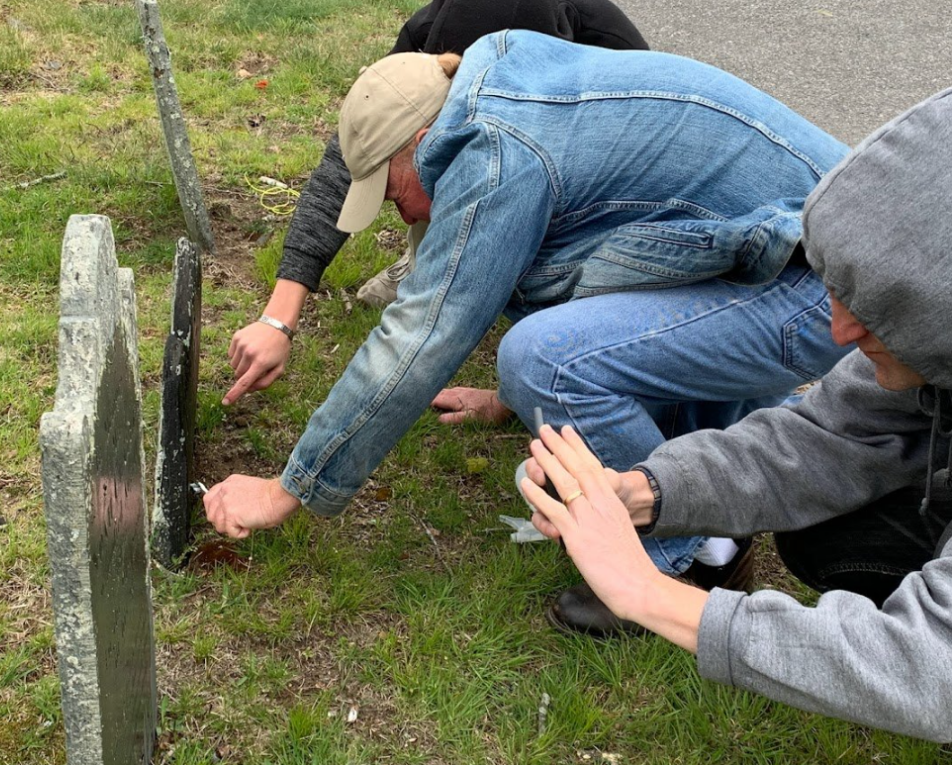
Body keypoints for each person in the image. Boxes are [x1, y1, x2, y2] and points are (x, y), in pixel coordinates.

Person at [202, 31, 851, 593]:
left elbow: (419, 337)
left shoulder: (496, 157)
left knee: (538, 359)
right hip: (783, 256)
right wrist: (508, 403)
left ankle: (674, 559)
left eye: (391, 187)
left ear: (422, 139)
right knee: (545, 339)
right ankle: (732, 490)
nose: (397, 212)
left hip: (822, 283)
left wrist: (290, 487)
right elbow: (581, 268)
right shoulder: (494, 79)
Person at [519, 89, 952, 741]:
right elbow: (821, 438)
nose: (837, 332)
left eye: (878, 308)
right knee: (828, 531)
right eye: (840, 292)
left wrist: (649, 592)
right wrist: (642, 492)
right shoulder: (929, 339)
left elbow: (934, 665)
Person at [221, 0, 648, 407]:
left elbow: (432, 331)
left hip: (625, 180)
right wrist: (278, 319)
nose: (401, 217)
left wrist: (513, 395)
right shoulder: (427, 40)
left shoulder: (538, 88)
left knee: (524, 278)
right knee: (422, 187)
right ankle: (421, 256)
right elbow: (350, 163)